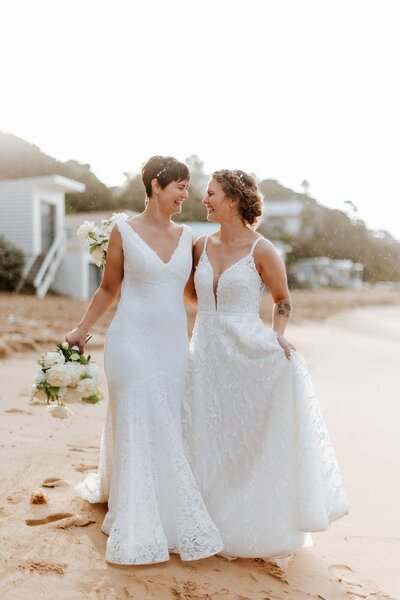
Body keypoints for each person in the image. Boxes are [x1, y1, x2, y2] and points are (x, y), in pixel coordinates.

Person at [183, 169, 349, 559]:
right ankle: (200, 512)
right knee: (204, 428)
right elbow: (191, 296)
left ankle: (243, 515)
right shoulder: (200, 246)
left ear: (233, 200)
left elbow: (282, 299)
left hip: (246, 351)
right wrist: (214, 314)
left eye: (211, 194)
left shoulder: (263, 250)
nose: (204, 200)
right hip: (205, 349)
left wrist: (276, 335)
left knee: (242, 434)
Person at [65, 156, 223, 565]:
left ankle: (161, 505)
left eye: (190, 189)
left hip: (172, 347)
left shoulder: (189, 235)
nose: (186, 196)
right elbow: (107, 289)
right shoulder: (122, 230)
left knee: (165, 424)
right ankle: (133, 513)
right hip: (129, 344)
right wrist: (81, 331)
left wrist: (232, 323)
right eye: (181, 187)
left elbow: (192, 293)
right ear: (157, 184)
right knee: (135, 417)